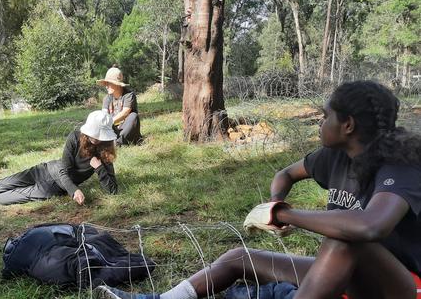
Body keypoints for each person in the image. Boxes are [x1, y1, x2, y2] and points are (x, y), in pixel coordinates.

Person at [95, 80, 421, 299]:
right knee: (240, 257)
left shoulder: (399, 167)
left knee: (346, 240)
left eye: (326, 117)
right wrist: (275, 201)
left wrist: (286, 214)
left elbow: (371, 226)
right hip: (344, 273)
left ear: (347, 125)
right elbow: (286, 174)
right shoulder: (333, 157)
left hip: (400, 285)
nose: (320, 123)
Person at [0, 110, 119, 205]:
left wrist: (100, 168)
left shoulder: (105, 151)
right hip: (44, 170)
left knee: (0, 199)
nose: (96, 138)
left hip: (53, 188)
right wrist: (74, 190)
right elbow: (63, 170)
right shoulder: (74, 137)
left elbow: (112, 190)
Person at [98, 66, 142, 146]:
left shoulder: (129, 95)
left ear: (117, 84)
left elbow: (125, 112)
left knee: (133, 116)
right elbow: (104, 114)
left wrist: (109, 122)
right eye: (106, 83)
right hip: (113, 129)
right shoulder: (107, 98)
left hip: (127, 129)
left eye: (109, 83)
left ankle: (118, 142)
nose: (106, 86)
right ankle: (112, 142)